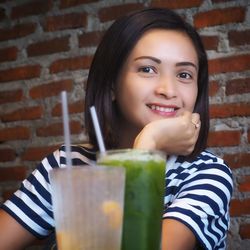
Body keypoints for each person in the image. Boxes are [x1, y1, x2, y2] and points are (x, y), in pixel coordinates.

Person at [0, 7, 233, 250]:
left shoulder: (208, 174)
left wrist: (148, 144)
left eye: (184, 74)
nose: (169, 90)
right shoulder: (67, 165)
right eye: (147, 69)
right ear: (112, 82)